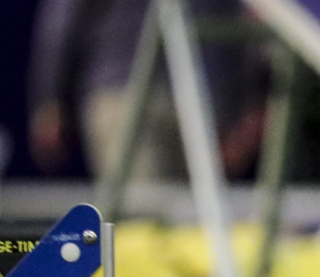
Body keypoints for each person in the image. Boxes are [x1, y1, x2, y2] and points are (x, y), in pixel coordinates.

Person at [28, 0, 266, 180]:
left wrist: (245, 112)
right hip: (124, 97)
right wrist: (49, 100)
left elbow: (247, 21)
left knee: (199, 229)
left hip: (204, 105)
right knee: (142, 222)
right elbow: (63, 17)